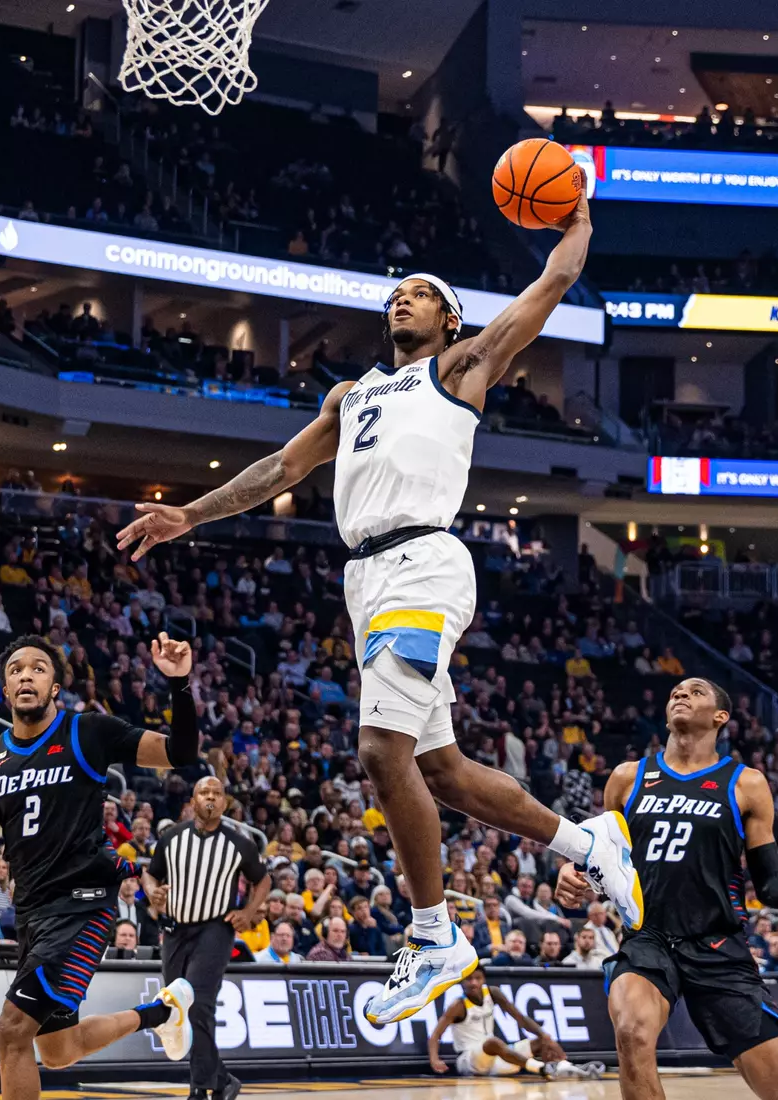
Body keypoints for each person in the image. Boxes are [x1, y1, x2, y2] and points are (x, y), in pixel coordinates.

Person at [116, 192, 643, 1026]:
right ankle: (588, 841)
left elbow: (549, 286)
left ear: (449, 317)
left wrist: (574, 222)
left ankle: (435, 936)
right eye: (395, 290)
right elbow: (279, 471)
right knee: (440, 771)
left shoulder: (463, 368)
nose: (401, 296)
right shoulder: (348, 394)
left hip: (423, 562)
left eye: (420, 291)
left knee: (376, 749)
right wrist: (189, 514)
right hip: (365, 579)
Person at [556, 677, 778, 1100]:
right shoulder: (627, 778)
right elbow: (606, 856)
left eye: (695, 691)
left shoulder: (745, 783)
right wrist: (575, 873)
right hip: (648, 939)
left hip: (718, 945)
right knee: (631, 1032)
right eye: (676, 691)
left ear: (721, 716)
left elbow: (768, 883)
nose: (681, 694)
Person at [0, 633, 197, 1100]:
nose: (26, 675)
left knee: (11, 1029)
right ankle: (163, 1014)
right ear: (4, 688)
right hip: (32, 917)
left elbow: (181, 754)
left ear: (55, 686)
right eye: (16, 669)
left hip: (83, 906)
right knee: (59, 1050)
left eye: (38, 668)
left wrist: (180, 685)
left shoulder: (87, 733)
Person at [143, 777, 270, 1100]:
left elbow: (263, 879)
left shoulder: (239, 842)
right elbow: (150, 873)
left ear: (224, 803)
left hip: (215, 929)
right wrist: (152, 893)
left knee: (198, 1006)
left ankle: (201, 1088)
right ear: (193, 799)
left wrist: (248, 911)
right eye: (204, 792)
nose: (210, 798)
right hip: (174, 930)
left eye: (216, 793)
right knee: (177, 1011)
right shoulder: (171, 837)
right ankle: (223, 1080)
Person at [428, 967, 603, 1080]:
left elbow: (520, 1018)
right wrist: (434, 1059)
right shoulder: (457, 1005)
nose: (473, 982)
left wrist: (545, 1036)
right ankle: (542, 1068)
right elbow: (435, 1035)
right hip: (469, 1060)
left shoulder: (493, 993)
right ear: (462, 982)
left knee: (542, 1040)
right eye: (469, 979)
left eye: (478, 978)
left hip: (496, 1061)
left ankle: (567, 1068)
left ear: (484, 979)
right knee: (493, 1042)